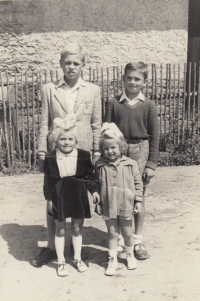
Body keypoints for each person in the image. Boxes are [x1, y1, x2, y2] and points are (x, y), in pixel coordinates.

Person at [32, 42, 102, 267]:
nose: (72, 67)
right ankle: (52, 248)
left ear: (83, 65)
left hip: (81, 156)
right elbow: (44, 124)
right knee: (53, 200)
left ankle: (75, 247)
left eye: (76, 63)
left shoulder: (92, 90)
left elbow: (97, 125)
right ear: (61, 64)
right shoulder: (49, 89)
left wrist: (97, 152)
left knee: (79, 200)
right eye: (67, 63)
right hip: (56, 154)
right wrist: (42, 152)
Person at [104, 62, 159, 260]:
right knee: (117, 194)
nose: (133, 82)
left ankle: (137, 240)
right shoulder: (113, 103)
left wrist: (152, 163)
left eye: (137, 79)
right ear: (123, 79)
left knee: (138, 195)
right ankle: (119, 239)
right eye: (129, 78)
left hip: (140, 150)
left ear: (145, 82)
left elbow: (155, 135)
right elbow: (106, 132)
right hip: (117, 151)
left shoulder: (149, 105)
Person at [43, 117, 100, 276]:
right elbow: (48, 181)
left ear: (76, 140)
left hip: (78, 193)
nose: (66, 142)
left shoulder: (83, 155)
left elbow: (89, 175)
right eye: (62, 139)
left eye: (70, 139)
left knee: (76, 228)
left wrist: (94, 191)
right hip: (59, 195)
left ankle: (77, 258)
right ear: (55, 140)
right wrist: (48, 199)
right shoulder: (51, 157)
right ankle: (61, 261)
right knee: (60, 230)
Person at [95, 123, 143, 276]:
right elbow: (96, 184)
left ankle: (129, 255)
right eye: (106, 148)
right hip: (108, 204)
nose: (109, 151)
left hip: (126, 204)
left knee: (128, 233)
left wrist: (138, 201)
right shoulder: (100, 165)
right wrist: (97, 201)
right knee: (112, 233)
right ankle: (112, 258)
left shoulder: (131, 164)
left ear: (121, 146)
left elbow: (138, 184)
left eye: (113, 147)